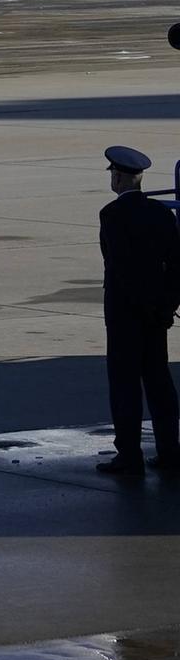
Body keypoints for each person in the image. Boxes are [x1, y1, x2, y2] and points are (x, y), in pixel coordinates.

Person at [97, 145, 180, 476]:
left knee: (125, 385)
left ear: (118, 178)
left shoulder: (112, 216)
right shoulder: (161, 214)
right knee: (159, 383)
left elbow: (118, 268)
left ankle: (129, 455)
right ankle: (170, 451)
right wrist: (165, 307)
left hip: (125, 316)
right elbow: (176, 266)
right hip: (157, 315)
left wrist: (139, 306)